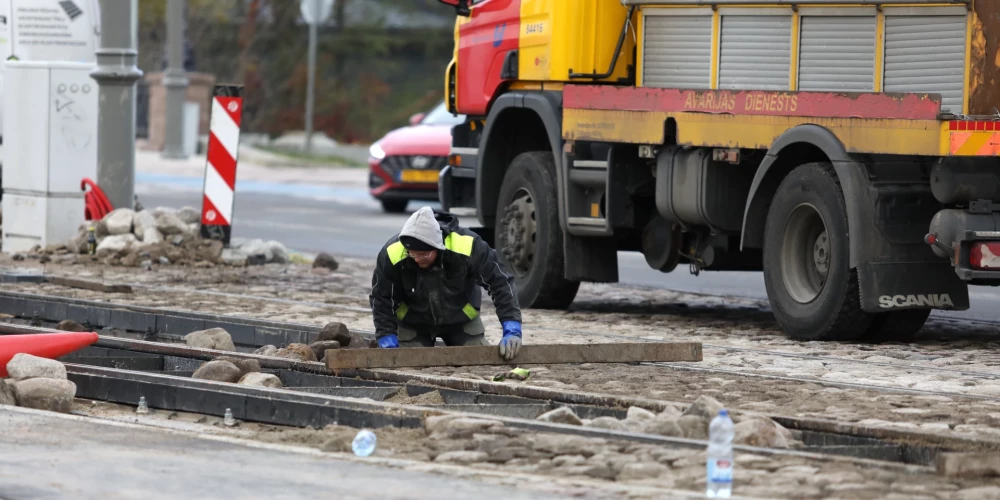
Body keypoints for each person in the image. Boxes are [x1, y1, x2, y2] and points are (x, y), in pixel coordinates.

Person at [369, 206, 523, 360]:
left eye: (423, 255)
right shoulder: (393, 253)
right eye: (412, 254)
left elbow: (501, 282)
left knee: (479, 361)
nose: (416, 259)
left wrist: (512, 327)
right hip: (413, 322)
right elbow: (382, 298)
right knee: (407, 363)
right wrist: (386, 335)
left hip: (461, 320)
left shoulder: (468, 246)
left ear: (438, 246)